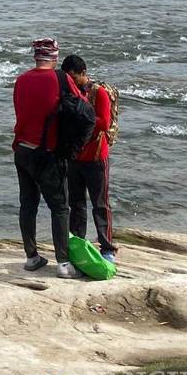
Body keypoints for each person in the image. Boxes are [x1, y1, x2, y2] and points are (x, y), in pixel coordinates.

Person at [13, 38, 84, 278]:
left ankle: (31, 257)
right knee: (60, 208)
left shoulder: (21, 80)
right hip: (48, 153)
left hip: (22, 150)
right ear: (54, 58)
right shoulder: (60, 79)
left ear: (35, 57)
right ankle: (63, 263)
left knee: (28, 204)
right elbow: (82, 106)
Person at [62, 55, 117, 262]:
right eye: (68, 77)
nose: (71, 80)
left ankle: (107, 247)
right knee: (76, 203)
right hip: (75, 156)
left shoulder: (98, 93)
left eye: (74, 76)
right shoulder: (69, 92)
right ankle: (78, 242)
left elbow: (103, 123)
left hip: (96, 157)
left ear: (83, 73)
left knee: (100, 204)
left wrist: (80, 114)